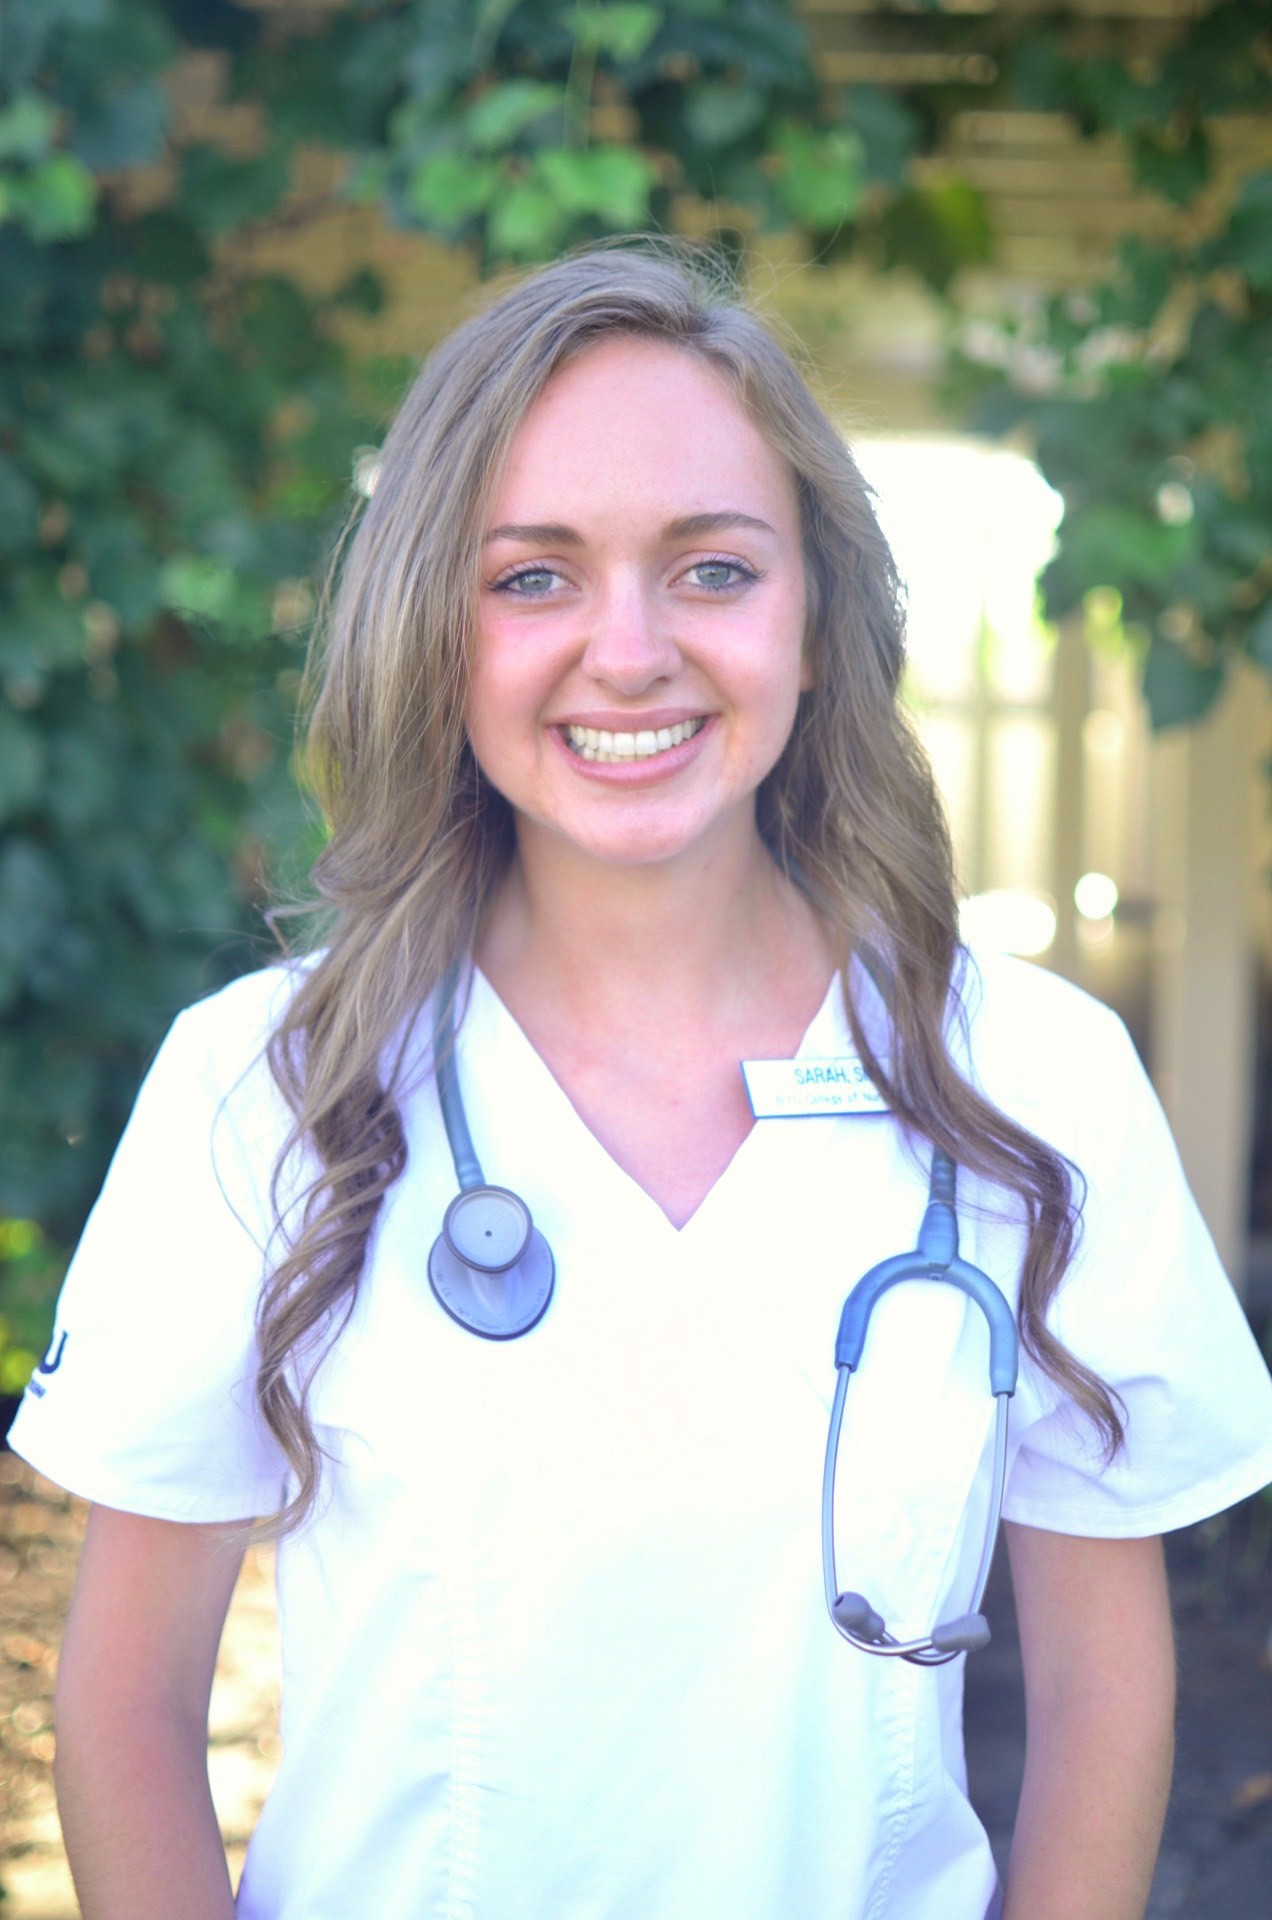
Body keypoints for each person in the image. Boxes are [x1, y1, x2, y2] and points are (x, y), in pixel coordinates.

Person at [9, 242, 1272, 1920]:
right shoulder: (269, 1085)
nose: (630, 651)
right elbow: (127, 1700)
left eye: (713, 570)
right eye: (531, 577)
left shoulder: (1033, 1082)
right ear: (435, 634)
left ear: (817, 621)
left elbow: (1108, 1696)